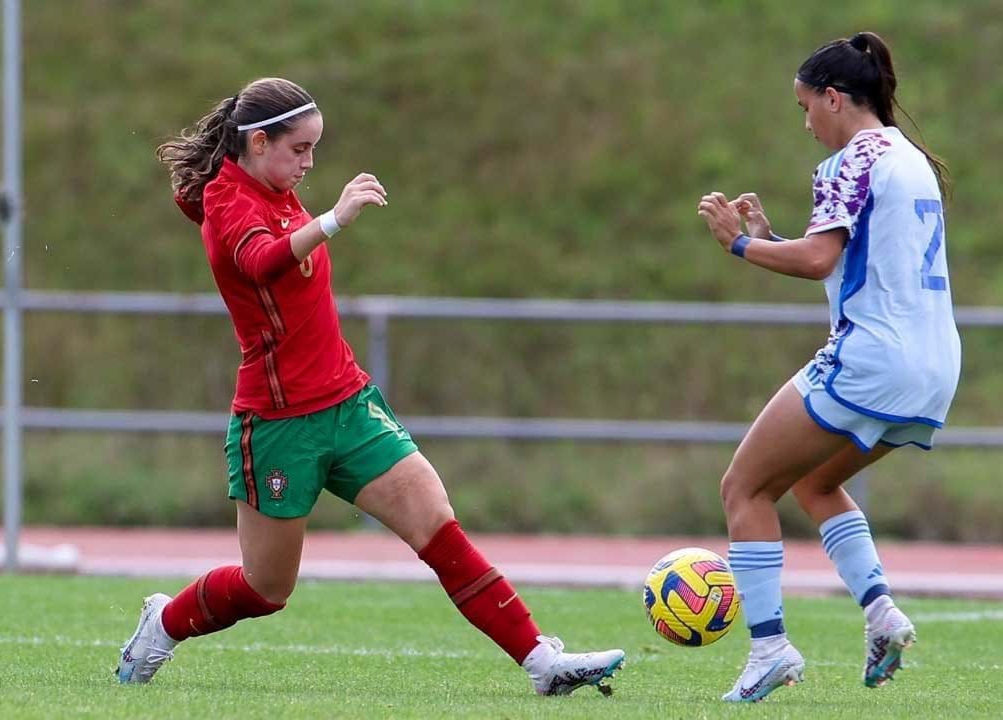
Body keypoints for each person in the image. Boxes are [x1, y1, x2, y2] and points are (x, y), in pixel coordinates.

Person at [117, 77, 624, 696]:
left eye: (314, 150)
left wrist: (320, 213)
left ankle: (541, 662)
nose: (308, 164)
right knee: (265, 588)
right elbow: (260, 262)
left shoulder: (273, 186)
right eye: (299, 149)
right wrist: (333, 218)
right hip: (278, 423)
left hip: (348, 403)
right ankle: (163, 624)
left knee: (437, 526)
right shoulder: (229, 201)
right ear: (256, 142)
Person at [696, 32, 960, 702]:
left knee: (744, 488)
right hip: (933, 366)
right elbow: (849, 259)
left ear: (835, 98)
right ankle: (881, 613)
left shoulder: (852, 158)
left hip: (873, 357)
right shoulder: (910, 157)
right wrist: (774, 237)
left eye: (806, 106)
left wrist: (739, 246)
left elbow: (818, 261)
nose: (806, 121)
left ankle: (769, 649)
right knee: (815, 484)